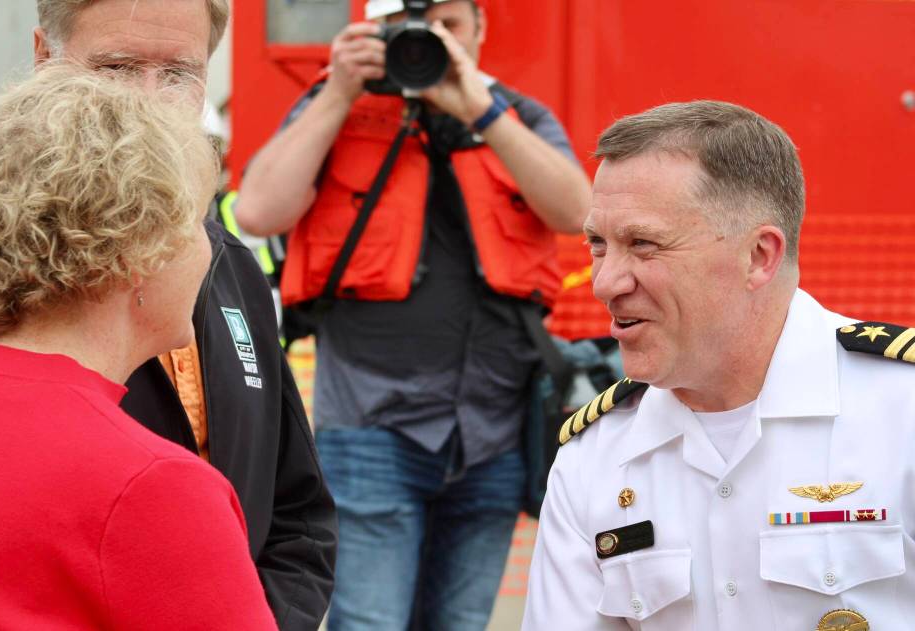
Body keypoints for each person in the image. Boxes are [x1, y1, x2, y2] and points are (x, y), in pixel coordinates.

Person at [0, 2, 336, 628]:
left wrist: (243, 609)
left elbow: (296, 509)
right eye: (118, 67)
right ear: (44, 57)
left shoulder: (222, 255)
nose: (150, 100)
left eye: (178, 73)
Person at [235, 0, 592, 628]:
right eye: (410, 27)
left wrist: (480, 108)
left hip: (494, 431)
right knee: (370, 622)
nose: (432, 42)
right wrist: (339, 90)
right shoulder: (339, 105)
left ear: (479, 29)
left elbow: (577, 212)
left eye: (448, 26)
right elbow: (259, 210)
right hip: (372, 424)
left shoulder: (516, 115)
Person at [522, 100, 915, 630]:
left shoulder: (902, 414)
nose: (605, 283)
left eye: (644, 244)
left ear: (758, 256)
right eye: (598, 244)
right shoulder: (593, 457)